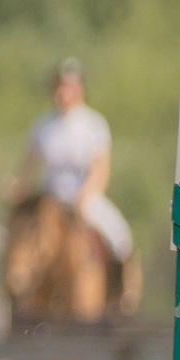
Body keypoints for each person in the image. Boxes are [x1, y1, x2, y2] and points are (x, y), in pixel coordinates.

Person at [13, 58, 132, 262]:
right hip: (49, 200)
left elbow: (100, 169)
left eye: (68, 87)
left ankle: (124, 287)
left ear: (79, 89)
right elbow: (28, 166)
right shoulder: (42, 125)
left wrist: (84, 197)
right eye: (59, 87)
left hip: (83, 200)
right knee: (20, 240)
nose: (63, 93)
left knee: (120, 239)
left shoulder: (93, 125)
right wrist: (18, 189)